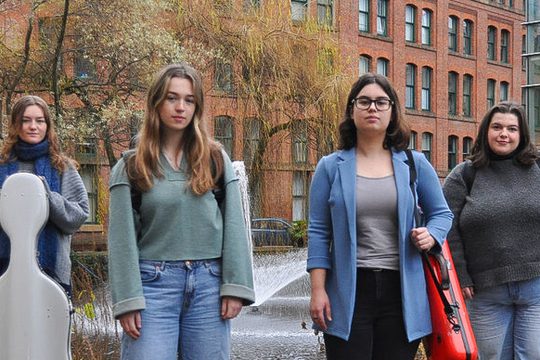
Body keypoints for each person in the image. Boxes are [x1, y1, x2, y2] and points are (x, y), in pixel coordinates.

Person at [107, 63, 255, 360]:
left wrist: (235, 285)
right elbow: (121, 241)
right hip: (152, 288)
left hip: (208, 288)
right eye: (172, 98)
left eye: (189, 100)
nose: (180, 107)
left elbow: (235, 225)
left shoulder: (214, 159)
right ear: (156, 103)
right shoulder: (132, 166)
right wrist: (128, 300)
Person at [307, 73, 453, 359]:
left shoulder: (414, 163)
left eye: (381, 102)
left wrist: (431, 234)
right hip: (347, 292)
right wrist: (318, 290)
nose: (372, 108)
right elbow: (319, 232)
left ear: (392, 111)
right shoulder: (330, 167)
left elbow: (442, 214)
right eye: (364, 101)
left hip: (402, 293)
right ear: (352, 110)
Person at [443, 102, 540, 360]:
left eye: (512, 128)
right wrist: (461, 276)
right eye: (497, 127)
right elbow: (447, 229)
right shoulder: (465, 175)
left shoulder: (537, 170)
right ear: (486, 131)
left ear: (522, 134)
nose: (504, 134)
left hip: (536, 290)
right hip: (485, 292)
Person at [0, 95, 89, 295]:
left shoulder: (62, 167)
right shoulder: (2, 166)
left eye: (40, 121)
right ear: (16, 124)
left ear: (47, 126)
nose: (33, 126)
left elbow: (79, 215)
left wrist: (44, 195)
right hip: (4, 270)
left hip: (52, 272)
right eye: (26, 120)